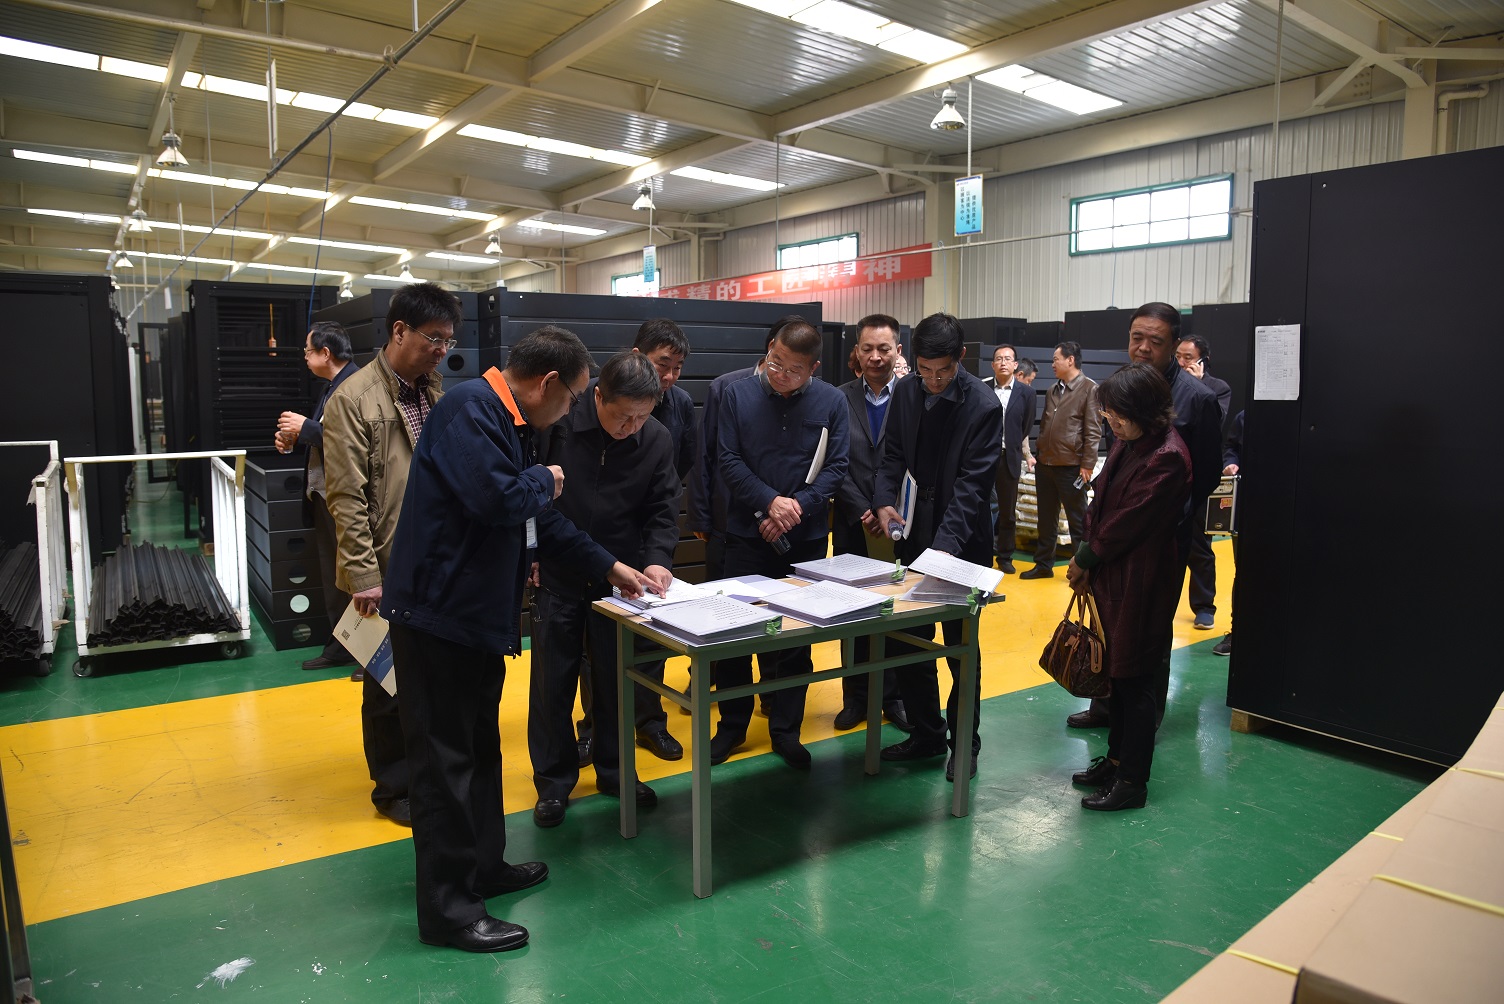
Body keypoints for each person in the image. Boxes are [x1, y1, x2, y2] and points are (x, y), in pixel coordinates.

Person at [381, 326, 656, 953]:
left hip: (475, 620)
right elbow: (500, 499)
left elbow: (538, 520)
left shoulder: (507, 422)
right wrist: (545, 478)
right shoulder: (469, 410)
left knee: (478, 751)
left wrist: (609, 566)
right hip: (438, 618)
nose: (572, 410)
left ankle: (483, 867)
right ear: (547, 383)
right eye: (573, 398)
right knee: (444, 766)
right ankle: (448, 913)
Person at [322, 281, 459, 825]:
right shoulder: (354, 399)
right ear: (399, 330)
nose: (441, 349)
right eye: (433, 338)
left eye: (448, 340)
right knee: (387, 683)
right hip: (387, 564)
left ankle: (427, 772)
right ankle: (394, 786)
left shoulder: (434, 392)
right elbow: (346, 496)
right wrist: (363, 577)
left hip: (436, 559)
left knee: (432, 679)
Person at [528, 351, 680, 828]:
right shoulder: (558, 425)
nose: (631, 428)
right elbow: (532, 503)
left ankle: (616, 773)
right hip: (560, 572)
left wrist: (657, 560)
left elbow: (663, 507)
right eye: (622, 417)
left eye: (642, 417)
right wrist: (531, 554)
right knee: (552, 685)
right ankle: (553, 783)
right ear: (598, 397)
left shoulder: (656, 439)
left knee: (617, 682)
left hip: (623, 582)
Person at [1067, 303, 1223, 729]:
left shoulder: (1198, 399)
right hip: (1114, 534)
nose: (1143, 348)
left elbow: (1206, 474)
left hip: (1161, 536)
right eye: (1137, 337)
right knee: (1105, 618)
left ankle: (1141, 723)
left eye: (1156, 341)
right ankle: (1105, 707)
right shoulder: (1124, 386)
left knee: (1147, 628)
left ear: (1175, 344)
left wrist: (1163, 517)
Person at [712, 318, 850, 768]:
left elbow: (837, 467)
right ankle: (731, 726)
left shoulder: (832, 401)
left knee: (796, 637)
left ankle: (786, 731)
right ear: (769, 348)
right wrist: (770, 503)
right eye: (775, 362)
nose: (780, 375)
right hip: (746, 534)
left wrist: (796, 508)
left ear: (813, 368)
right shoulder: (737, 395)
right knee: (734, 634)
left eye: (793, 369)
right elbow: (728, 460)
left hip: (805, 539)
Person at [872, 313, 1003, 782]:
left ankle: (964, 744)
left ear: (961, 357)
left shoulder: (983, 406)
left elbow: (972, 488)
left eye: (943, 372)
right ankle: (926, 732)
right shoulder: (906, 392)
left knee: (960, 646)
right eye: (925, 370)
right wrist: (884, 501)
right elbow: (890, 454)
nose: (932, 381)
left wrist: (944, 551)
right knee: (908, 638)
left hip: (961, 541)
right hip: (914, 530)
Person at [1065, 363, 1191, 811]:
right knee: (1116, 677)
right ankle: (1116, 760)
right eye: (1109, 413)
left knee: (1135, 680)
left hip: (1141, 582)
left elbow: (1128, 521)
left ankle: (1132, 781)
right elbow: (1100, 500)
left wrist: (1085, 558)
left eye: (1118, 414)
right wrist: (1089, 549)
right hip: (1113, 575)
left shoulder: (1168, 457)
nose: (1111, 422)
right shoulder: (1129, 441)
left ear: (1145, 410)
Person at [831, 314, 910, 734]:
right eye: (868, 349)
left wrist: (887, 506)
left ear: (898, 350)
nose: (876, 357)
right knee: (853, 612)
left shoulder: (914, 396)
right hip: (852, 521)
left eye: (884, 348)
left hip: (901, 523)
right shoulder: (837, 398)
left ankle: (893, 696)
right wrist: (863, 506)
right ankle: (856, 697)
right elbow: (832, 462)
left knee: (895, 609)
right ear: (857, 352)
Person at [272, 321, 359, 673]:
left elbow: (355, 441)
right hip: (326, 496)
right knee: (335, 578)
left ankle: (372, 655)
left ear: (326, 353)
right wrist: (295, 438)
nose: (305, 358)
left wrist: (306, 428)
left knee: (359, 578)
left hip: (349, 499)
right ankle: (342, 646)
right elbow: (328, 436)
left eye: (308, 351)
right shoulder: (331, 387)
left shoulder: (356, 386)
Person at [1019, 341, 1099, 579]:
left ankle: (1081, 568)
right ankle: (1044, 564)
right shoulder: (1053, 389)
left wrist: (1087, 464)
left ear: (1070, 360)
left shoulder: (1090, 389)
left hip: (1072, 466)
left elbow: (1093, 430)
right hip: (1046, 463)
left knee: (1078, 521)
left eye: (1056, 359)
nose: (1052, 364)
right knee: (1046, 518)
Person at [1175, 334, 1231, 631]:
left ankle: (1204, 606)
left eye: (1188, 357)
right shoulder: (1167, 384)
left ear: (1202, 360)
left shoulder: (1217, 388)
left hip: (1198, 477)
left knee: (1200, 545)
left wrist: (1197, 386)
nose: (1181, 362)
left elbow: (1215, 424)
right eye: (1178, 356)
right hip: (1169, 473)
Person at [983, 344, 1036, 574]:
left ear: (1015, 365)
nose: (1003, 362)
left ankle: (1005, 557)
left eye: (1007, 359)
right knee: (980, 508)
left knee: (1007, 512)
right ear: (992, 364)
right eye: (998, 359)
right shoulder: (982, 388)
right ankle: (981, 552)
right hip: (984, 457)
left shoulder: (1026, 393)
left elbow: (1026, 425)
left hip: (1008, 458)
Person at [1213, 409, 1244, 657]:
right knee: (1243, 572)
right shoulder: (1245, 417)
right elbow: (1231, 447)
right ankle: (1239, 632)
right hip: (1247, 508)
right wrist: (1229, 463)